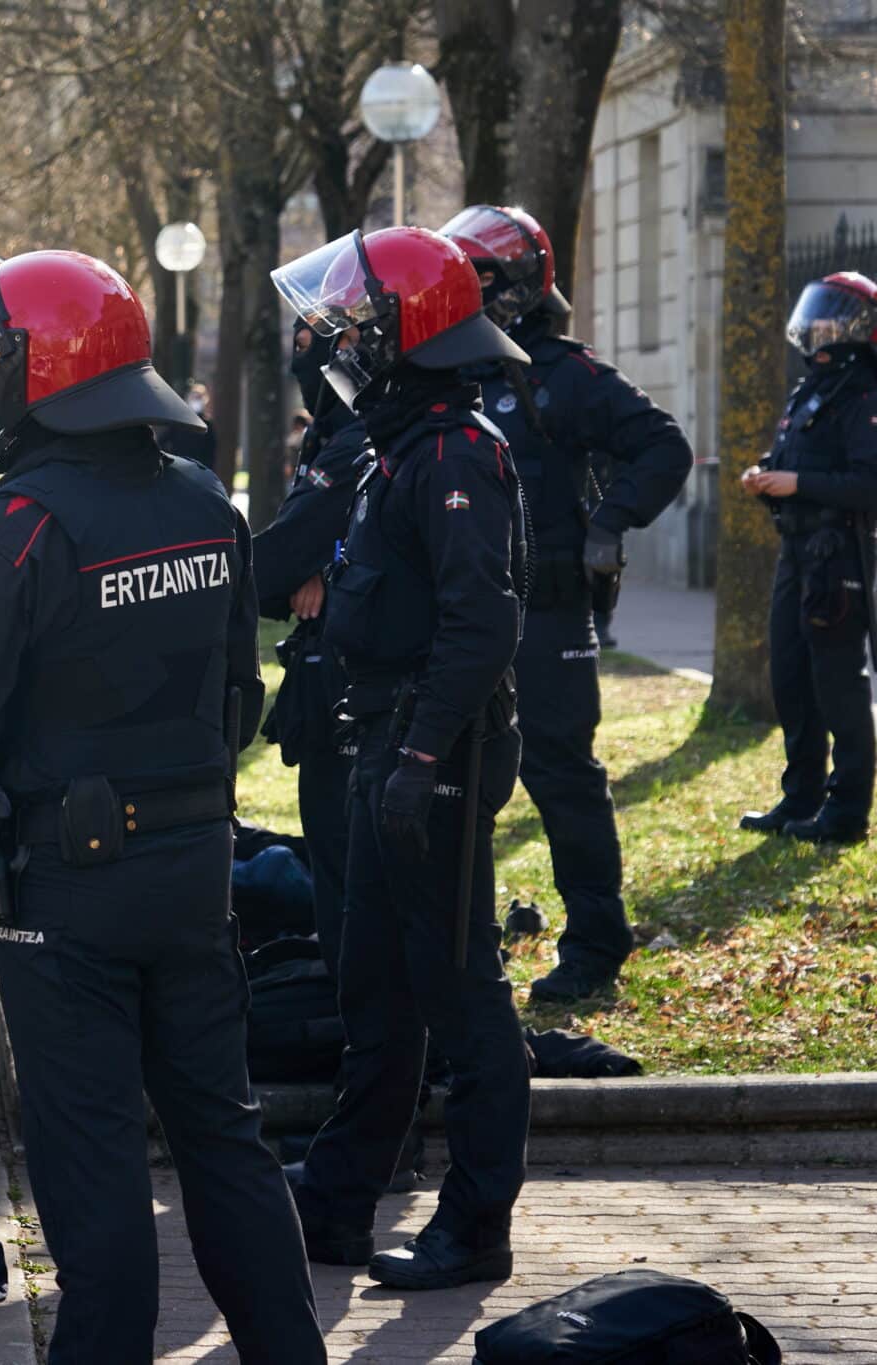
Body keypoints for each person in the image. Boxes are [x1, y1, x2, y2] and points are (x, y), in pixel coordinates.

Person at [0, 250, 326, 1364]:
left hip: (67, 891)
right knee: (223, 1143)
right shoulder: (203, 504)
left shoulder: (14, 528)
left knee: (90, 1167)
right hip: (192, 874)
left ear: (45, 367)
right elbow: (238, 697)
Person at [270, 226, 530, 1290]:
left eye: (357, 323)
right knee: (375, 986)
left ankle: (474, 1229)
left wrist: (421, 756)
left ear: (406, 332)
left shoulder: (455, 451)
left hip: (440, 752)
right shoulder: (400, 441)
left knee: (461, 991)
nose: (340, 341)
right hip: (385, 741)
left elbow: (481, 623)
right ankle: (333, 1203)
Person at [442, 205, 694, 1002]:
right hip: (468, 613)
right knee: (457, 773)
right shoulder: (450, 374)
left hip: (549, 614)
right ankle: (465, 939)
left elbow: (665, 445)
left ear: (514, 285)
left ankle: (595, 946)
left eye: (475, 277)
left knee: (563, 776)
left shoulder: (564, 374)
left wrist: (611, 522)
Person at [737, 271, 877, 845]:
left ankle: (846, 815)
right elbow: (793, 455)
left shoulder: (864, 392)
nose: (818, 325)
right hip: (796, 552)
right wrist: (764, 472)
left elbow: (867, 484)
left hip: (840, 555)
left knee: (837, 684)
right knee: (790, 677)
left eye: (832, 315)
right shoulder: (813, 387)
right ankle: (801, 799)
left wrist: (798, 483)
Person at [254, 322, 374, 979]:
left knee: (346, 867)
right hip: (336, 679)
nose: (304, 355)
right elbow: (288, 561)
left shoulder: (358, 441)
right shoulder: (336, 435)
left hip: (357, 689)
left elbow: (272, 566)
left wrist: (321, 563)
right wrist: (320, 561)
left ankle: (360, 1030)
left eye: (316, 340)